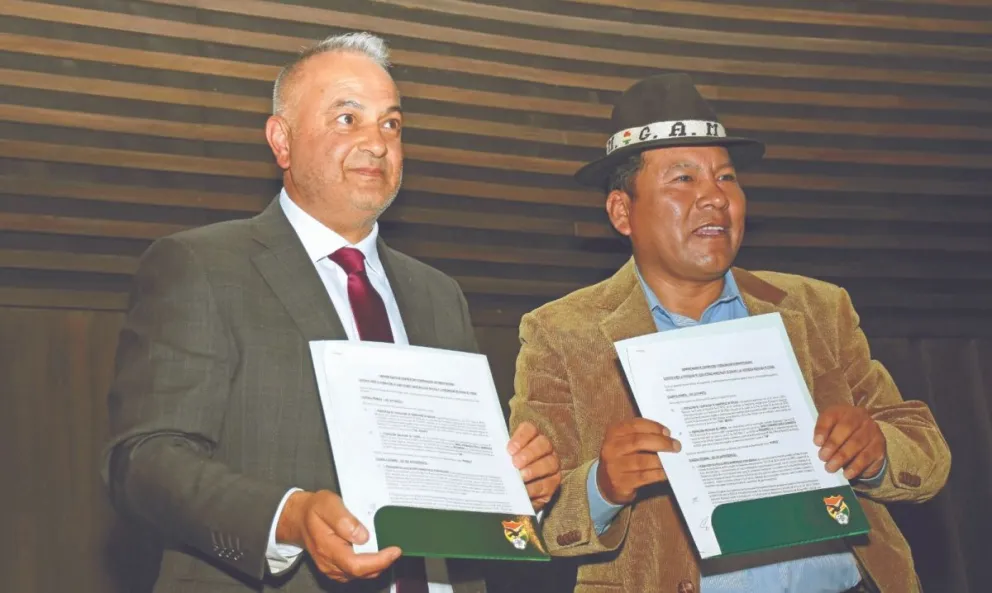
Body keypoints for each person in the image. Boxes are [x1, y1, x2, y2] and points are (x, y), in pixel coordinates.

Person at [102, 32, 561, 593]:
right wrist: (288, 517)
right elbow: (143, 463)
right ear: (282, 141)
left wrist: (516, 488)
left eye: (391, 124)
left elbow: (454, 489)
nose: (376, 143)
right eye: (348, 119)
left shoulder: (440, 295)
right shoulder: (201, 266)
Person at [508, 73, 950, 593]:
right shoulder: (561, 334)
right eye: (683, 179)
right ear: (622, 211)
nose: (715, 198)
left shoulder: (817, 308)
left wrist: (876, 452)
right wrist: (602, 488)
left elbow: (926, 450)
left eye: (726, 178)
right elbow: (526, 513)